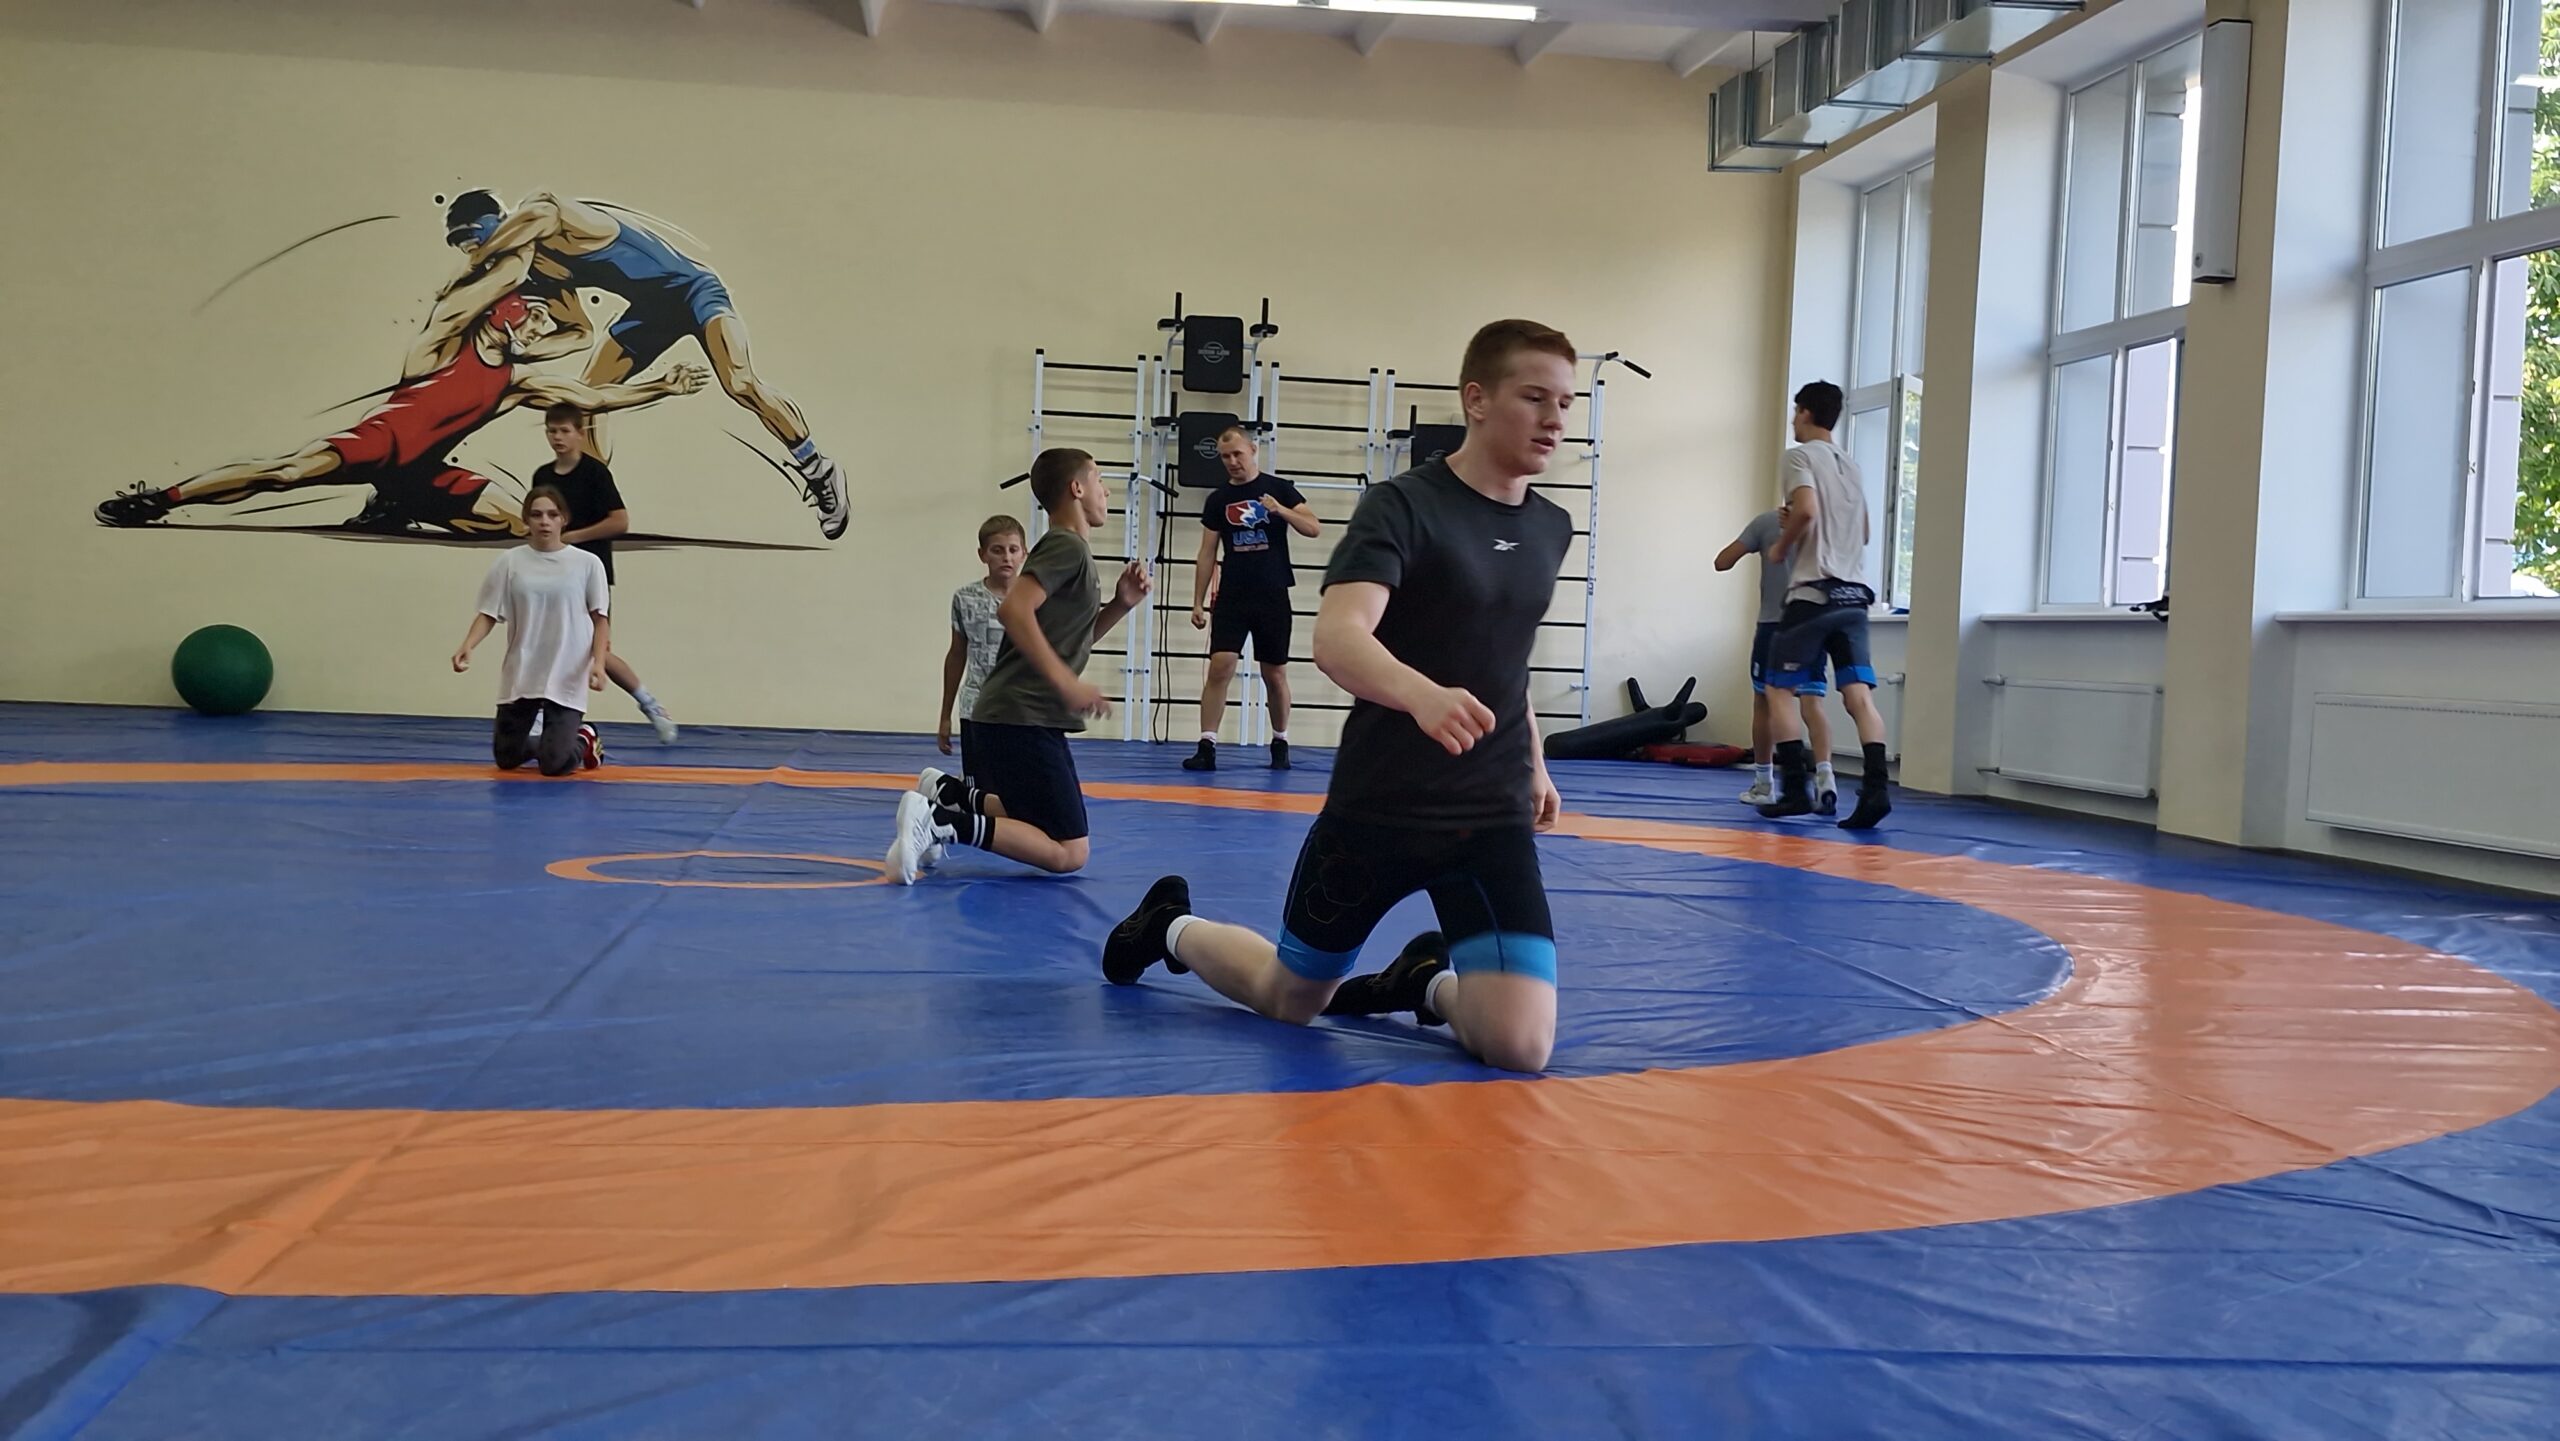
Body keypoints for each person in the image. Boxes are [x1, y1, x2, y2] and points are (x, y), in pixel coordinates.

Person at [1099, 319, 1579, 1075]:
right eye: (1535, 398)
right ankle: (1168, 927)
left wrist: (1536, 761)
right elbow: (1338, 637)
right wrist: (1420, 694)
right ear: (1477, 399)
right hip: (1381, 807)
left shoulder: (1551, 527)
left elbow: (1506, 662)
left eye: (1566, 403)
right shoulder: (1404, 506)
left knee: (1520, 1045)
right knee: (1290, 996)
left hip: (1487, 814)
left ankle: (1423, 981)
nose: (1555, 419)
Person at [95, 247, 707, 533]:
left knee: (517, 527)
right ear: (505, 316)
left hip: (421, 472)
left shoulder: (515, 382)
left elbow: (593, 398)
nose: (543, 330)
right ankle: (160, 499)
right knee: (282, 474)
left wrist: (661, 386)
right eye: (537, 319)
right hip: (375, 445)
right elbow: (471, 292)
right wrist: (514, 250)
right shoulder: (438, 348)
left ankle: (398, 506)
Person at [445, 189, 851, 540]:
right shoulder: (538, 272)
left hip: (695, 291)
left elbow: (536, 216)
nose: (474, 252)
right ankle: (594, 500)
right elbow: (578, 332)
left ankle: (817, 468)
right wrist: (518, 352)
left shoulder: (544, 212)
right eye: (465, 248)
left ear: (494, 222)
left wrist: (471, 270)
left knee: (740, 383)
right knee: (588, 397)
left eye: (472, 240)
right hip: (651, 312)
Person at [886, 449, 1150, 884]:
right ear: (1076, 488)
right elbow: (1013, 610)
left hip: (1018, 713)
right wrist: (1066, 683)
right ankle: (937, 821)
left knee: (1026, 813)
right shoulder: (1066, 546)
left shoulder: (1072, 550)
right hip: (1024, 714)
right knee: (1069, 851)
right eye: (1099, 480)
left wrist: (1120, 605)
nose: (1106, 491)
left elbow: (1070, 640)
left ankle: (949, 795)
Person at [1759, 381, 1892, 829]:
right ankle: (1876, 790)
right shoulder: (1851, 465)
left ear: (1804, 412)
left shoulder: (1798, 456)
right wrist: (1803, 520)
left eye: (1795, 412)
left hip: (1814, 594)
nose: (1793, 420)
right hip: (1854, 598)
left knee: (1778, 689)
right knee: (1858, 697)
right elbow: (1863, 531)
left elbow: (1809, 510)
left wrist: (1782, 546)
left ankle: (1796, 788)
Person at [535, 407, 679, 744]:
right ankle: (547, 713)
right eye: (552, 431)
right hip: (553, 573)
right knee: (549, 643)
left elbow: (620, 521)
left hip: (590, 572)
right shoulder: (542, 475)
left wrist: (574, 538)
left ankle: (650, 704)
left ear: (579, 433)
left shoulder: (595, 473)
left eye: (564, 431)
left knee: (593, 648)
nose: (557, 437)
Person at [1183, 424, 1320, 772]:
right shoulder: (1218, 499)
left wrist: (1280, 510)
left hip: (1272, 593)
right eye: (1225, 457)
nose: (1232, 461)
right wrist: (1197, 601)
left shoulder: (1279, 488)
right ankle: (1207, 745)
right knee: (1220, 666)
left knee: (1274, 673)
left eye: (1237, 454)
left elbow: (1313, 527)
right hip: (1233, 594)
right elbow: (1206, 552)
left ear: (1253, 450)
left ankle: (1280, 741)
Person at [451, 485, 612, 776]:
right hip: (523, 667)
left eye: (552, 514)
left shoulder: (587, 564)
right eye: (536, 515)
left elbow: (600, 619)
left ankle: (583, 739)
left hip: (566, 669)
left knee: (554, 765)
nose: (544, 522)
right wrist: (468, 645)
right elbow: (489, 612)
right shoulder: (510, 562)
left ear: (564, 519)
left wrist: (598, 664)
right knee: (507, 757)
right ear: (526, 519)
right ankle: (551, 743)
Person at [1716, 499, 1836, 812]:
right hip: (1815, 623)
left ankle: (1764, 783)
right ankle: (1825, 778)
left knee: (1765, 702)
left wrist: (1762, 542)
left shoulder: (1765, 522)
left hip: (1775, 624)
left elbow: (1722, 562)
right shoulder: (1826, 524)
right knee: (1812, 703)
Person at [937, 515, 1029, 777]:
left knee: (1018, 782)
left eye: (1013, 550)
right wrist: (945, 715)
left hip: (1022, 709)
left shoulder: (1036, 598)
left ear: (1024, 553)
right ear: (983, 555)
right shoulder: (965, 598)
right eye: (997, 550)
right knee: (979, 781)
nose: (1006, 557)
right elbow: (956, 654)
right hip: (976, 706)